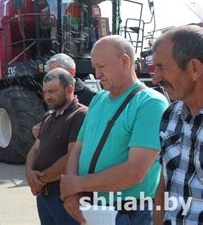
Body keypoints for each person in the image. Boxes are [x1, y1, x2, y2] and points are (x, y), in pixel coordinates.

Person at [59, 35, 168, 224]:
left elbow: (135, 172)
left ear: (125, 61)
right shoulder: (98, 99)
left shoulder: (150, 103)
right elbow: (78, 149)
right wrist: (71, 194)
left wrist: (76, 185)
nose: (97, 74)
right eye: (95, 67)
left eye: (101, 66)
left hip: (129, 213)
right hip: (94, 209)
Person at [151, 25, 203, 224]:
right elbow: (164, 182)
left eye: (161, 67)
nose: (155, 79)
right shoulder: (170, 115)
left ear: (194, 69)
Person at [25, 68, 87, 225]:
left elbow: (73, 157)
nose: (47, 97)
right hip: (44, 197)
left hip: (63, 197)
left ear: (69, 89)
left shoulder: (80, 115)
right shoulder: (48, 115)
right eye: (45, 92)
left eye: (52, 91)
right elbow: (35, 148)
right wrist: (29, 175)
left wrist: (40, 180)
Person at [32, 53, 96, 139]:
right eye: (49, 74)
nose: (51, 79)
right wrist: (39, 130)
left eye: (57, 74)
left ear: (72, 72)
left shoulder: (91, 96)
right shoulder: (50, 96)